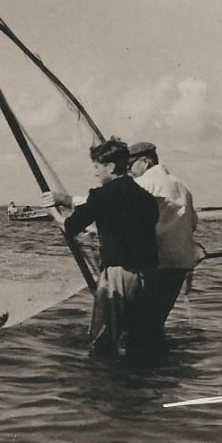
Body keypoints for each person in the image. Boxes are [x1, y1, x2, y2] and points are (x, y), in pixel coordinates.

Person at [42, 138, 159, 355]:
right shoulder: (146, 198)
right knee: (136, 341)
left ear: (110, 167)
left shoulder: (102, 196)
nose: (95, 173)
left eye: (97, 167)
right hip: (148, 277)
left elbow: (70, 226)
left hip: (118, 275)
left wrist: (52, 211)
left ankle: (104, 383)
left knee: (103, 340)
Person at [127, 141, 198, 342]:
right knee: (155, 322)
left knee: (139, 325)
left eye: (130, 164)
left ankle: (141, 368)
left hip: (156, 264)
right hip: (180, 264)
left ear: (145, 161)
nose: (129, 170)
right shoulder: (182, 186)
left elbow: (114, 204)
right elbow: (193, 223)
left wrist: (66, 202)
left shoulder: (146, 183)